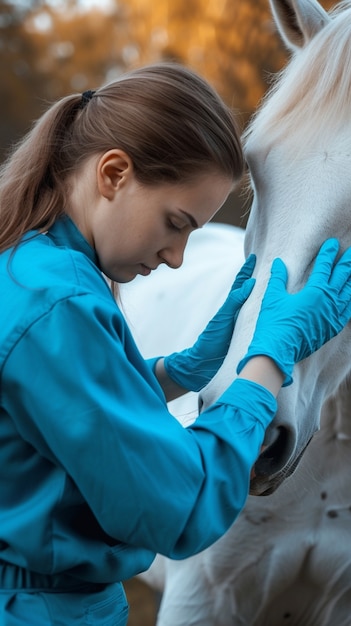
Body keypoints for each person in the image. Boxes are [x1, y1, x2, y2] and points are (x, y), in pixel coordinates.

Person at [1, 62, 351, 625]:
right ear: (113, 174)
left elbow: (56, 415)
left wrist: (171, 374)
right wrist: (268, 359)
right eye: (175, 222)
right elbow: (180, 509)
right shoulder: (58, 305)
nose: (176, 257)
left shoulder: (37, 272)